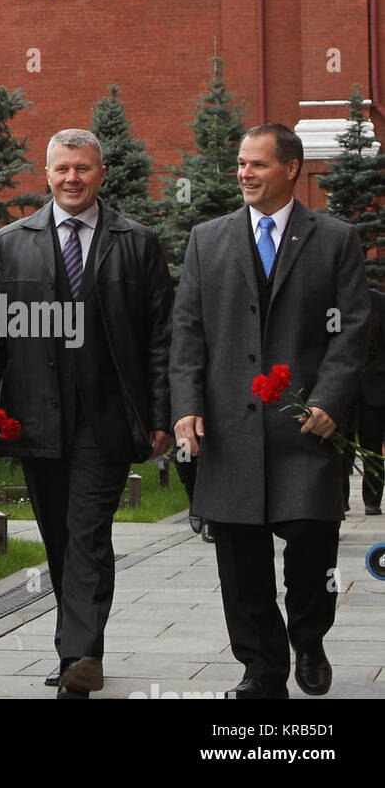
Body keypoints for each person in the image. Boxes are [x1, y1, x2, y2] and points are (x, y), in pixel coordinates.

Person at [0, 128, 174, 699]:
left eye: (82, 168)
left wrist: (160, 414)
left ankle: (78, 655)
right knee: (59, 535)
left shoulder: (137, 242)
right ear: (47, 174)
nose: (72, 178)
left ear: (100, 173)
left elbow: (161, 337)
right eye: (62, 169)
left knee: (86, 532)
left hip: (106, 418)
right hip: (36, 416)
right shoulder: (12, 242)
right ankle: (83, 646)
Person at [171, 124, 369, 699]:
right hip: (229, 430)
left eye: (257, 164)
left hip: (305, 426)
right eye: (240, 163)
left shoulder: (335, 239)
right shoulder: (208, 239)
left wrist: (330, 400)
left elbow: (352, 330)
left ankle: (308, 637)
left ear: (291, 169)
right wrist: (185, 407)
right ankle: (262, 670)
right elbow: (186, 332)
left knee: (311, 541)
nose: (244, 174)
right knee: (240, 561)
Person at [343, 289, 385, 517]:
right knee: (340, 449)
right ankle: (340, 500)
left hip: (374, 388)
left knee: (371, 448)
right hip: (344, 387)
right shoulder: (336, 299)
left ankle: (372, 499)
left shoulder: (380, 303)